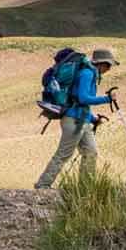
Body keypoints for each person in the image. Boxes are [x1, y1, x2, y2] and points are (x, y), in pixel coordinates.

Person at [34, 48, 119, 188]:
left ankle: (85, 187)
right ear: (101, 64)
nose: (109, 69)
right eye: (109, 65)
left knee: (91, 152)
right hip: (73, 121)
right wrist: (107, 99)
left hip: (81, 120)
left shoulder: (90, 73)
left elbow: (79, 102)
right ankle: (43, 185)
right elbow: (83, 98)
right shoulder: (87, 73)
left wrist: (92, 118)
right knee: (63, 154)